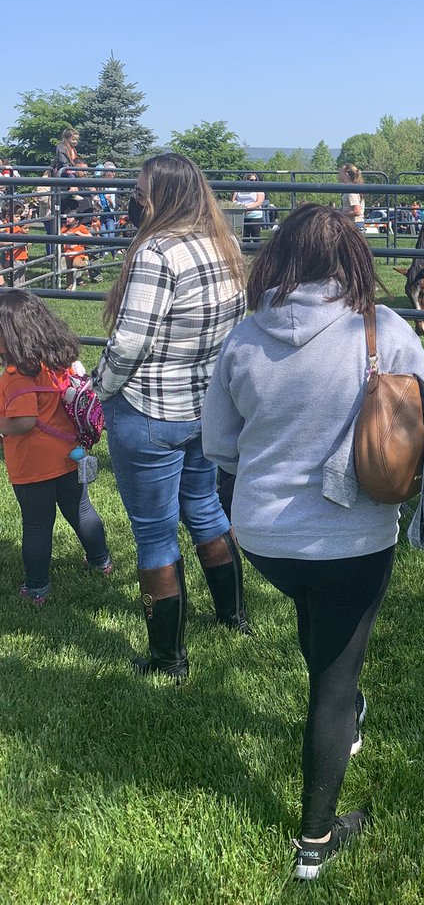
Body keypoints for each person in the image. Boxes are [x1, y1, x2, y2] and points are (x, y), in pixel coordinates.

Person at [201, 203, 424, 880]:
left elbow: (219, 445)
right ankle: (314, 845)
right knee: (332, 683)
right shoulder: (384, 329)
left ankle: (346, 710)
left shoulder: (243, 339)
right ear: (353, 259)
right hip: (352, 538)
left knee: (318, 623)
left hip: (260, 535)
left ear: (279, 258)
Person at [93, 153, 249, 681]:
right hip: (203, 408)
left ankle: (168, 659)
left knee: (154, 534)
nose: (134, 201)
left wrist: (99, 389)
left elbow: (130, 341)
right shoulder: (222, 246)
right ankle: (234, 617)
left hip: (148, 409)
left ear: (162, 195)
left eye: (139, 193)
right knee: (205, 508)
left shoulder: (156, 251)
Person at [0, 290, 112, 604]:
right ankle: (101, 561)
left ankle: (37, 589)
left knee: (37, 523)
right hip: (68, 456)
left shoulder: (16, 378)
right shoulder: (59, 363)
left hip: (32, 464)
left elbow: (23, 422)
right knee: (82, 511)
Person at [231, 172, 265, 244]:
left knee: (256, 237)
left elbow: (259, 202)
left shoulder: (259, 189)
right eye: (251, 180)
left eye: (255, 180)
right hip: (241, 216)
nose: (254, 182)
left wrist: (246, 208)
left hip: (255, 216)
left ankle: (257, 253)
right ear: (246, 180)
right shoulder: (239, 189)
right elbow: (234, 200)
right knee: (243, 237)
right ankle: (246, 253)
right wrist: (240, 206)